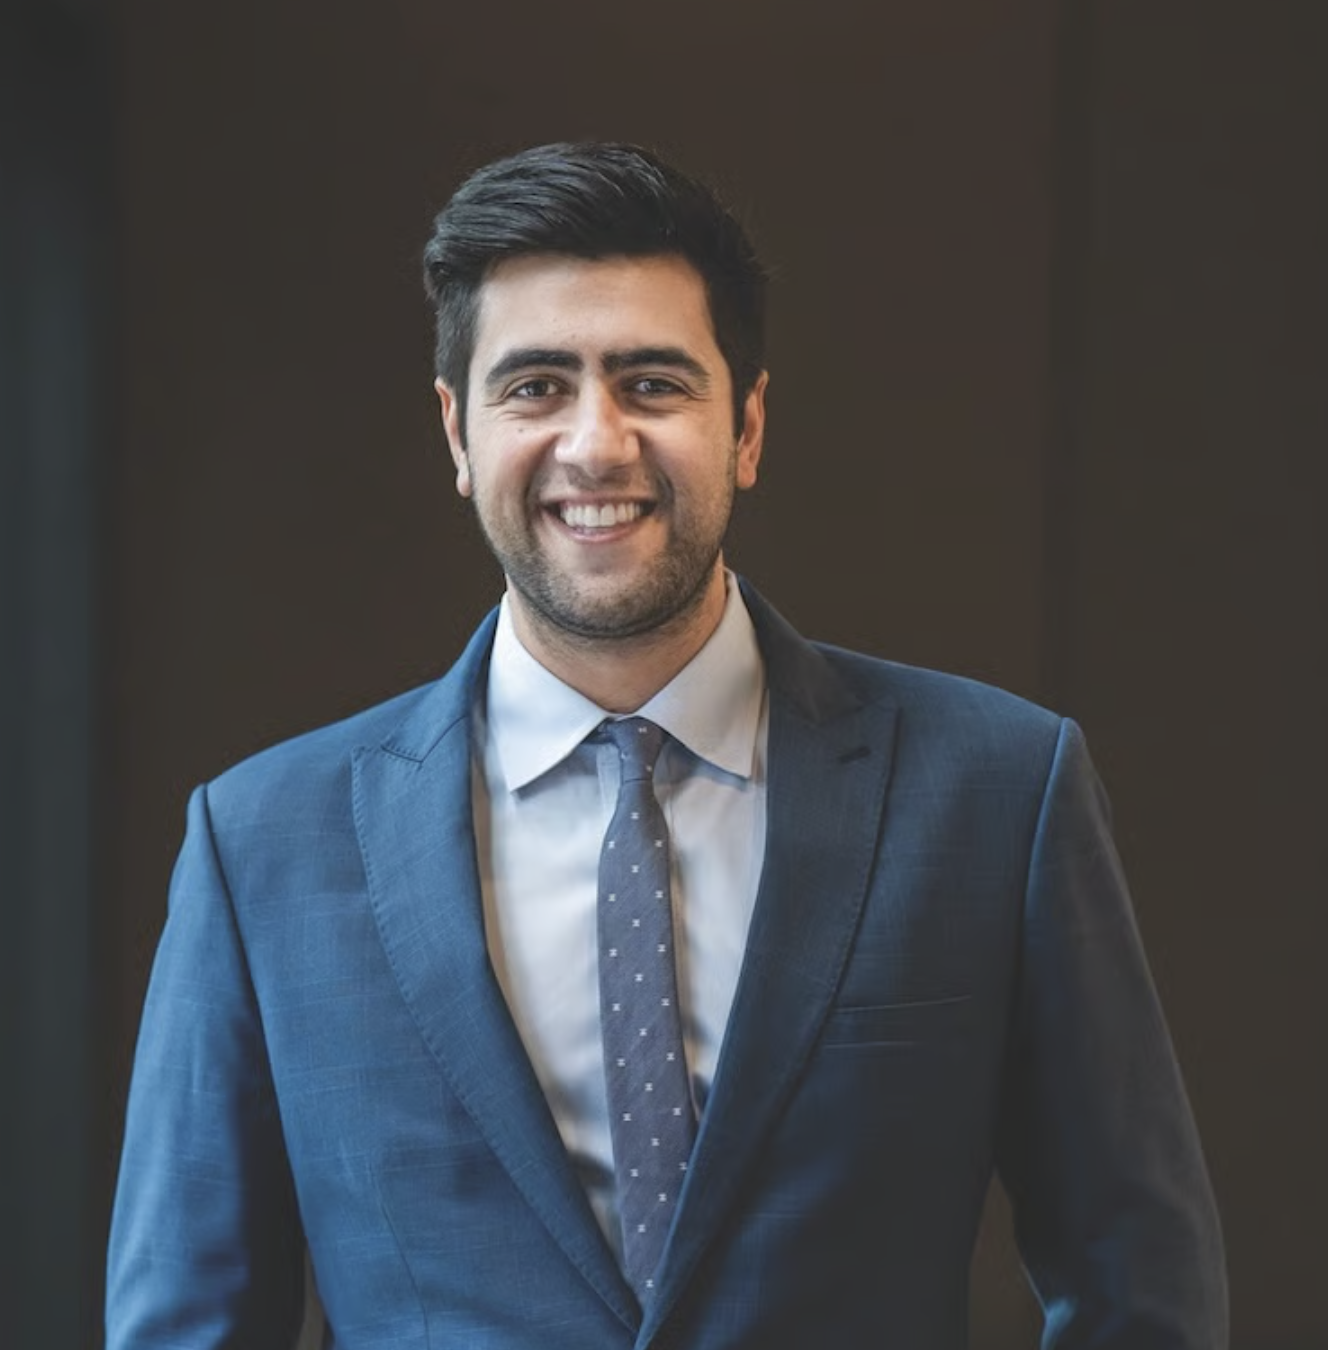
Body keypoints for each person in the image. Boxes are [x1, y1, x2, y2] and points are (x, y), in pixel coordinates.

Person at [105, 141, 1227, 1349]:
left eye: (651, 383)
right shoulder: (263, 844)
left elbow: (1141, 1287)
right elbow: (186, 1325)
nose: (595, 444)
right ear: (457, 433)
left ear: (746, 425)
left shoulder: (994, 791)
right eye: (535, 386)